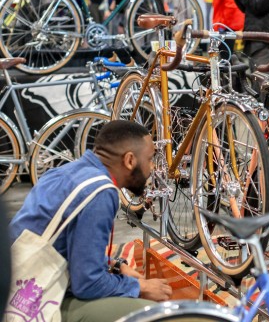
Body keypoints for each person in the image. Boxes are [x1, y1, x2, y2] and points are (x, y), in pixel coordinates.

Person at [9, 120, 171, 321]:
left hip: (13, 278)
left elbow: (68, 246)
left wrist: (115, 266)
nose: (153, 167)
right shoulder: (101, 194)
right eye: (150, 159)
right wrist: (140, 287)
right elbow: (87, 284)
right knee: (150, 313)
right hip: (34, 299)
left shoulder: (66, 171)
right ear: (130, 160)